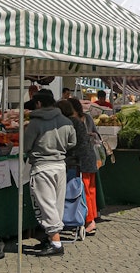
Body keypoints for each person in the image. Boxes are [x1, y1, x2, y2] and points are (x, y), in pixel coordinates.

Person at [24, 89, 76, 256]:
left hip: (42, 166)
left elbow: (25, 145)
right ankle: (51, 238)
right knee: (56, 204)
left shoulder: (35, 123)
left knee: (45, 204)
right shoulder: (65, 121)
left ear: (38, 103)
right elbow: (72, 142)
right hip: (60, 165)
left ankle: (55, 242)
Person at [59, 98, 99, 236]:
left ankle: (88, 220)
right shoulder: (78, 120)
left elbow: (72, 144)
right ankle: (92, 219)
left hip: (81, 161)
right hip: (89, 159)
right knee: (90, 191)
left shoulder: (71, 122)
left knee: (84, 192)